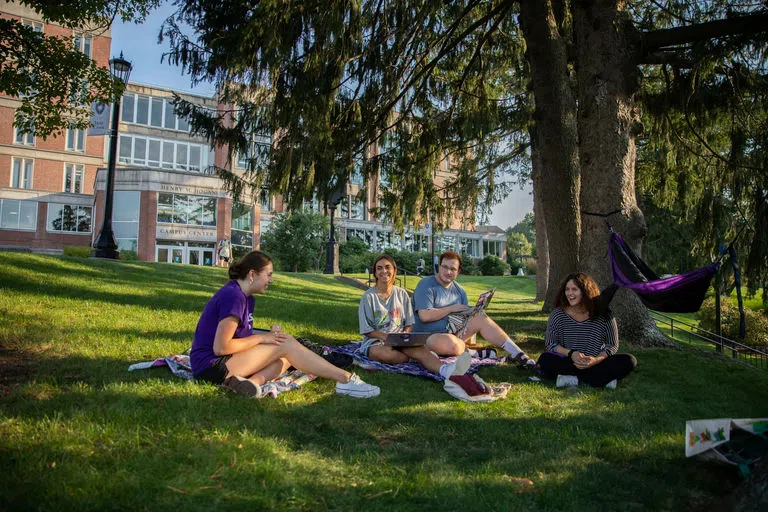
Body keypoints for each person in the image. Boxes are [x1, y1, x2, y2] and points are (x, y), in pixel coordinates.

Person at [190, 250, 380, 398]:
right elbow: (221, 347)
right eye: (269, 275)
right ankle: (345, 380)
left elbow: (240, 337)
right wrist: (263, 338)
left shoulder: (247, 298)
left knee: (287, 356)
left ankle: (249, 384)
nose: (271, 280)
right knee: (287, 344)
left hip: (226, 364)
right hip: (210, 366)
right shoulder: (234, 296)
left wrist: (270, 338)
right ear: (252, 274)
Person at [412, 250, 535, 366]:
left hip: (454, 333)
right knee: (451, 344)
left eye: (452, 269)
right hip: (428, 337)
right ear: (439, 267)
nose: (448, 272)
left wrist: (472, 311)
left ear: (458, 272)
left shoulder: (460, 291)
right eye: (445, 267)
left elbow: (465, 319)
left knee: (480, 316)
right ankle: (473, 353)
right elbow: (424, 316)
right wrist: (451, 308)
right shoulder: (426, 285)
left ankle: (518, 354)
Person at [357, 254, 471, 379]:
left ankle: (446, 371)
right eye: (379, 268)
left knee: (412, 350)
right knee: (388, 354)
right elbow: (367, 330)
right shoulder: (368, 297)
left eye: (387, 267)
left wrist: (404, 336)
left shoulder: (401, 294)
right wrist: (386, 337)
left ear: (394, 271)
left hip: (400, 340)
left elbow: (409, 323)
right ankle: (421, 358)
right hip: (376, 341)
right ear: (375, 272)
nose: (384, 271)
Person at [536, 272, 637, 388]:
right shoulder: (558, 314)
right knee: (545, 359)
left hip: (596, 362)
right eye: (567, 289)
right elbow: (551, 344)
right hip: (569, 361)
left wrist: (596, 360)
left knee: (629, 360)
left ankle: (573, 379)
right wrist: (571, 354)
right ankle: (597, 380)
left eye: (574, 289)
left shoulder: (604, 314)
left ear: (585, 292)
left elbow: (612, 345)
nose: (569, 293)